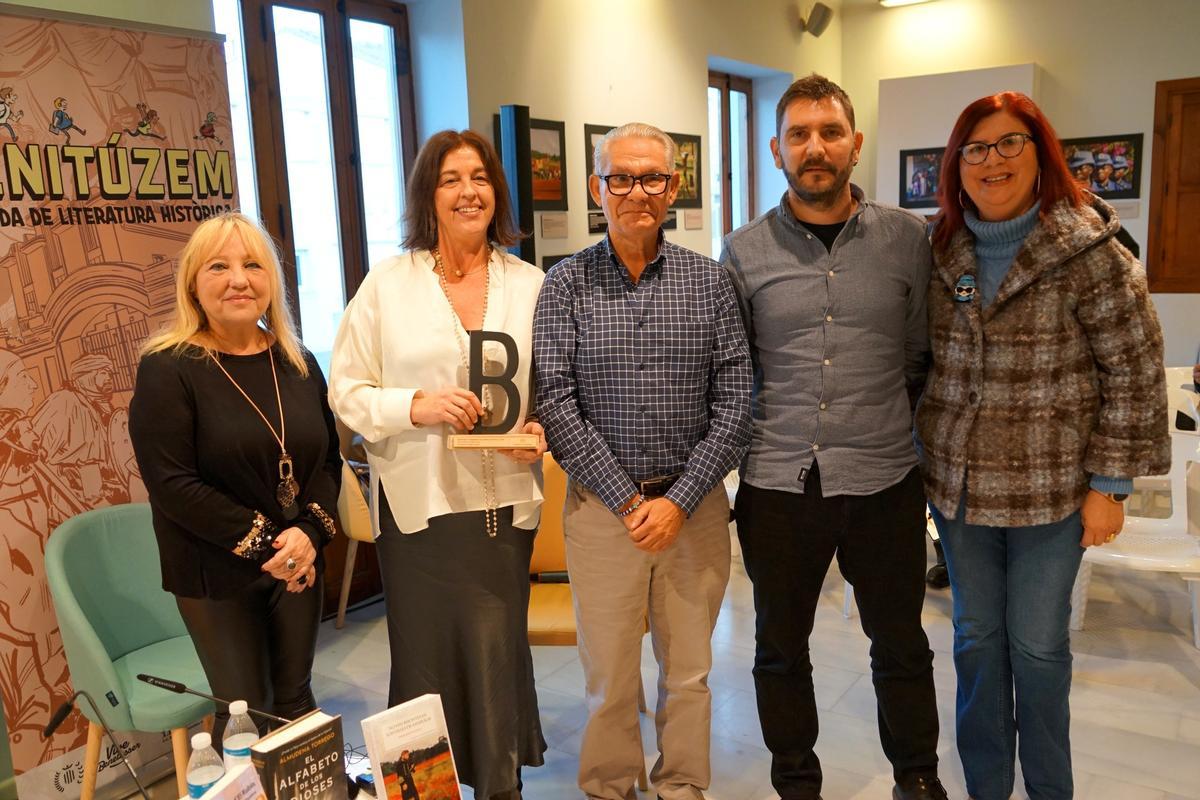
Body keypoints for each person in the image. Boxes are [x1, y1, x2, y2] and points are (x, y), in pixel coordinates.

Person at [918, 91, 1170, 800]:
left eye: (1009, 143)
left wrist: (1111, 485)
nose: (992, 161)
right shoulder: (940, 248)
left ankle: (1050, 790)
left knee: (1036, 650)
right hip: (962, 495)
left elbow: (1135, 368)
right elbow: (923, 363)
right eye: (976, 148)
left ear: (1040, 150)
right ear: (956, 164)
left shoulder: (1088, 245)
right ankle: (987, 788)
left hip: (1053, 494)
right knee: (974, 646)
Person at [720, 74, 946, 800]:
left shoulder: (908, 242)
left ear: (854, 143)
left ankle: (916, 776)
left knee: (901, 645)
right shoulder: (743, 251)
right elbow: (737, 367)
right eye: (798, 135)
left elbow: (919, 356)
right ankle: (796, 779)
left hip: (883, 480)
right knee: (780, 650)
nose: (814, 147)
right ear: (776, 149)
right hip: (778, 485)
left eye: (829, 132)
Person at [534, 122, 752, 800]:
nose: (636, 191)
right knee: (609, 683)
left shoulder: (711, 284)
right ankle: (609, 789)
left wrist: (679, 500)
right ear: (597, 188)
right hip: (604, 517)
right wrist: (632, 503)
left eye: (651, 177)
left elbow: (738, 403)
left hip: (696, 516)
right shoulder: (564, 283)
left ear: (673, 187)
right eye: (620, 178)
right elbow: (557, 404)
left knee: (688, 675)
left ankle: (683, 788)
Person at [328, 130, 546, 800]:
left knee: (495, 653)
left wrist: (543, 427)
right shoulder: (387, 285)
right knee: (425, 664)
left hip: (504, 509)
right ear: (428, 194)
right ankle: (426, 789)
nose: (467, 191)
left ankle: (500, 784)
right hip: (419, 513)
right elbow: (346, 389)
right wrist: (413, 404)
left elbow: (557, 389)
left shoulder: (531, 284)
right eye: (450, 178)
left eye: (479, 177)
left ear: (496, 191)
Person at [129, 212, 340, 744]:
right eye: (218, 266)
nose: (239, 279)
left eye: (253, 265)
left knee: (295, 700)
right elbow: (172, 484)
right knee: (247, 713)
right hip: (214, 569)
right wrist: (275, 543)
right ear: (193, 284)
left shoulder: (298, 361)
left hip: (296, 562)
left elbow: (327, 464)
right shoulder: (168, 367)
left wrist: (309, 535)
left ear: (272, 280)